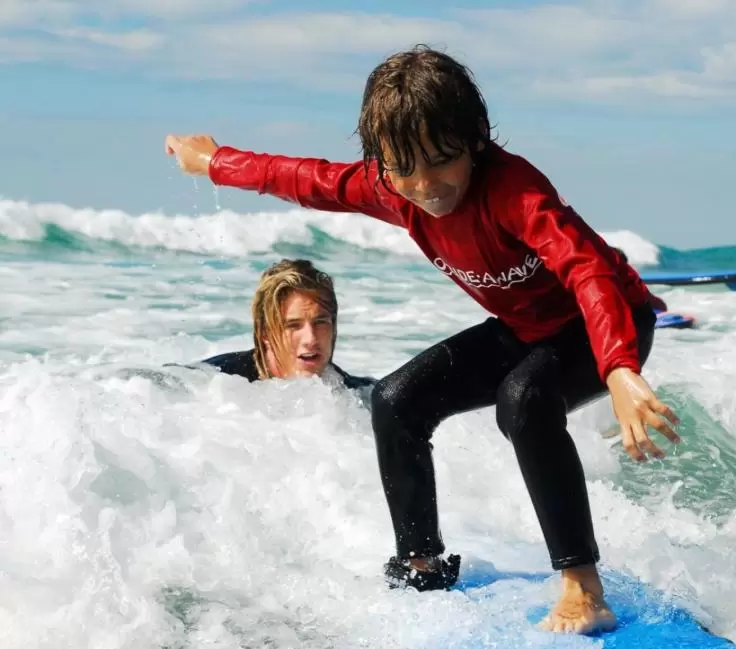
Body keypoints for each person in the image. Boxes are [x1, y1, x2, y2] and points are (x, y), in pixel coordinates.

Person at [163, 44, 680, 635]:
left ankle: (584, 588)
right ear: (381, 161)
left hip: (604, 322)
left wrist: (617, 367)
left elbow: (586, 269)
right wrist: (214, 162)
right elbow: (304, 179)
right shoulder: (390, 186)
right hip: (525, 329)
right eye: (403, 167)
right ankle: (421, 564)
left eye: (441, 161)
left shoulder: (515, 192)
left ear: (476, 140)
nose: (425, 184)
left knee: (524, 401)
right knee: (397, 400)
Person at [191, 258, 376, 408]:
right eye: (293, 325)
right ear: (265, 333)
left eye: (320, 322)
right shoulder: (217, 381)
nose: (310, 339)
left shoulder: (361, 397)